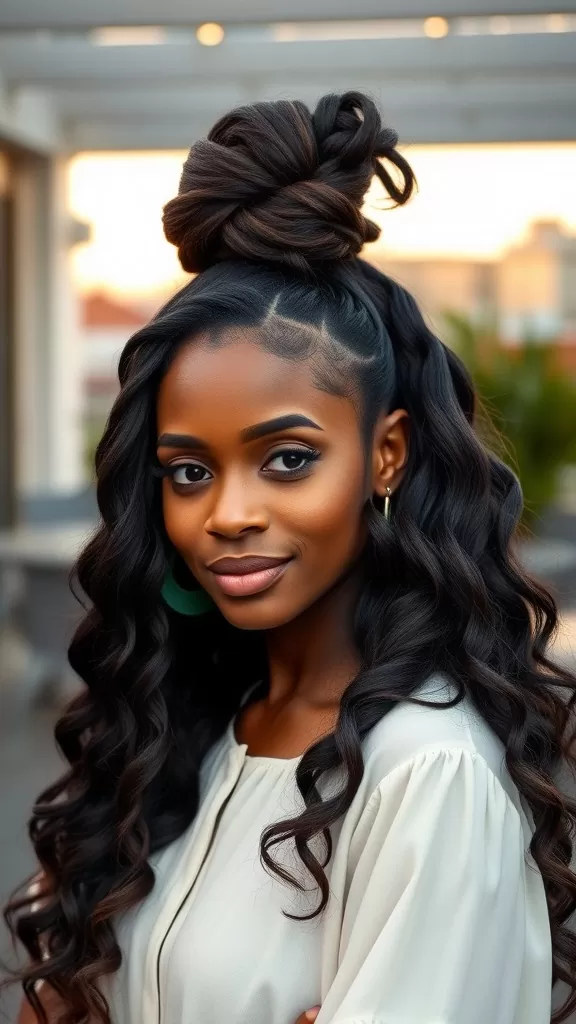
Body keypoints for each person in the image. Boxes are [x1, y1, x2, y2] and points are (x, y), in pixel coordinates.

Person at [3, 91, 576, 1024]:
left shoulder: (427, 776)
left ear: (384, 453)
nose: (227, 514)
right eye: (188, 471)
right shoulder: (193, 724)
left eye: (288, 459)